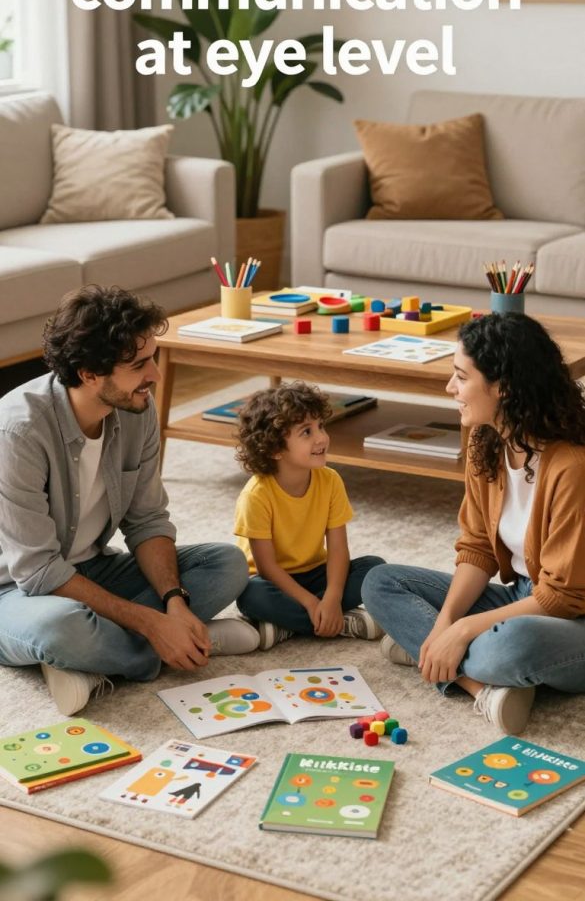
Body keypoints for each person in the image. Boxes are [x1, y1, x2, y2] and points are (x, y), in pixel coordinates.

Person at [0, 285, 259, 718]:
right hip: (15, 589)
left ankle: (101, 661)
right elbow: (38, 570)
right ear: (89, 374)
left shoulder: (137, 409)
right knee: (61, 629)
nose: (155, 376)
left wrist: (175, 601)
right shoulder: (18, 433)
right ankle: (174, 644)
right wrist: (152, 623)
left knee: (227, 564)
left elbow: (148, 521)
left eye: (152, 358)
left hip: (92, 569)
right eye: (139, 364)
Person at [362, 311, 585, 735]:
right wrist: (445, 624)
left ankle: (429, 651)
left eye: (461, 377)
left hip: (572, 616)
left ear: (504, 387)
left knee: (511, 646)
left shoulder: (572, 467)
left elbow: (561, 597)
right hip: (523, 596)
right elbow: (478, 549)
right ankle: (476, 684)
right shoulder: (487, 440)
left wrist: (462, 629)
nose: (450, 389)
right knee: (379, 582)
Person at [234, 381, 385, 649]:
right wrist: (312, 602)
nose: (321, 438)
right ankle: (338, 623)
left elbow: (338, 549)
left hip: (316, 572)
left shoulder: (330, 481)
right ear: (274, 449)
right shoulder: (256, 495)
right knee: (249, 596)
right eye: (306, 432)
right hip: (271, 580)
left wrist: (332, 598)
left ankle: (288, 626)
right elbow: (267, 567)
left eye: (320, 426)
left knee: (375, 568)